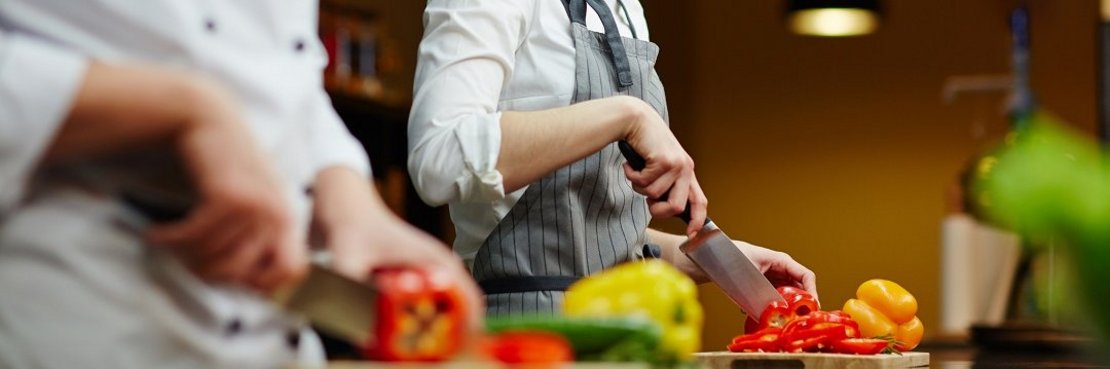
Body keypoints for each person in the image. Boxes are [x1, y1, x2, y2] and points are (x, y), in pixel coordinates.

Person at [0, 1, 480, 368]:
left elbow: (285, 76)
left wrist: (347, 197)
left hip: (274, 342)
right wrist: (183, 108)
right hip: (74, 324)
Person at [408, 0, 818, 316]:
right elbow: (439, 158)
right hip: (526, 338)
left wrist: (707, 260)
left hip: (629, 330)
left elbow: (593, 238)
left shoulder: (626, 10)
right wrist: (627, 115)